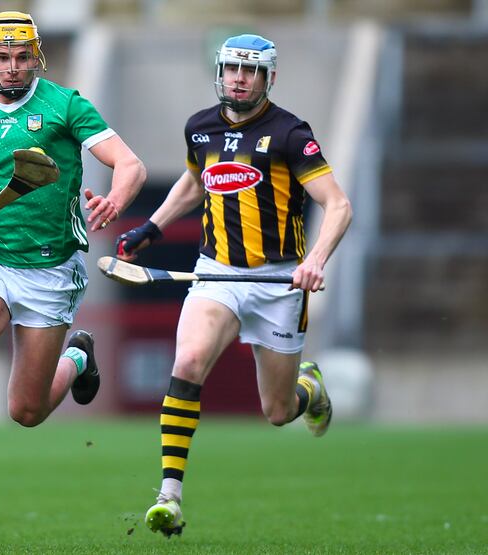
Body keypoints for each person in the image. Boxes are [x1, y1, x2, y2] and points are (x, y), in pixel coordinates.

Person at [0, 11, 146, 547]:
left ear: (35, 57)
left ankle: (77, 358)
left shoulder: (65, 105)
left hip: (51, 269)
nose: (12, 68)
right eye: (2, 58)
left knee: (27, 411)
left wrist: (115, 198)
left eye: (21, 58)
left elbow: (130, 165)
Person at [115, 34, 352, 537]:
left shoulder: (290, 132)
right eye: (230, 69)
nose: (238, 79)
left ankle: (310, 389)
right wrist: (150, 229)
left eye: (250, 71)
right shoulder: (199, 128)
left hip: (279, 281)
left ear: (268, 78)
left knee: (277, 411)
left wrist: (314, 260)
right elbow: (195, 182)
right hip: (215, 273)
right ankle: (169, 496)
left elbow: (338, 204)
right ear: (218, 73)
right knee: (188, 363)